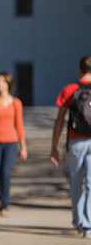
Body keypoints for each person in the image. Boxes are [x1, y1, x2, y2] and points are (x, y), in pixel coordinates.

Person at [50, 55, 91, 238]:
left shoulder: (70, 89)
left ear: (79, 69)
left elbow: (60, 120)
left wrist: (54, 146)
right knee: (90, 183)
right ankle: (89, 223)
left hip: (75, 141)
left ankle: (79, 221)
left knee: (76, 182)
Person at [0, 71, 28, 217]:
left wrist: (23, 147)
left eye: (2, 81)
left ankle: (5, 205)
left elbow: (19, 125)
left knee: (6, 174)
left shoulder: (16, 103)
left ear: (8, 83)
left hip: (11, 143)